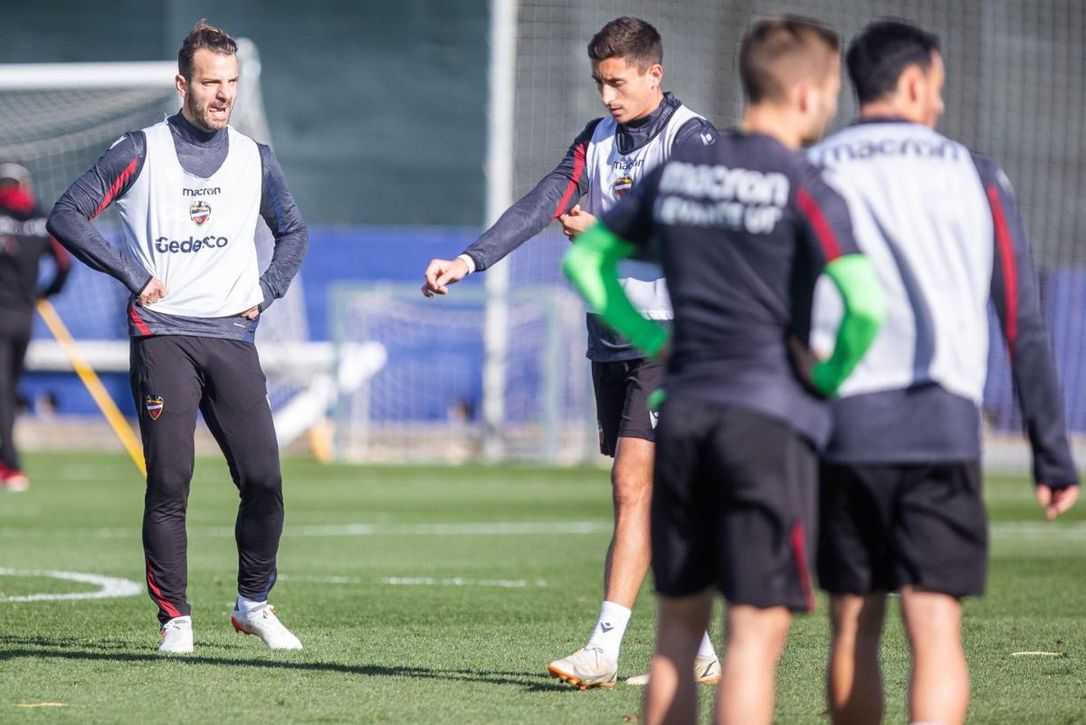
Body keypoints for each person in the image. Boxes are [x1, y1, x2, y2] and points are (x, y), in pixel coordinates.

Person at [563, 17, 883, 724]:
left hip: (687, 405)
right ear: (809, 95)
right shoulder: (804, 181)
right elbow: (865, 305)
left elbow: (588, 263)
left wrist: (656, 338)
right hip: (767, 419)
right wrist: (824, 381)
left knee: (678, 634)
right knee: (751, 640)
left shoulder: (681, 172)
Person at [421, 16, 721, 688]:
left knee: (632, 487)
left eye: (618, 82)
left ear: (654, 74)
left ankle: (603, 650)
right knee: (653, 497)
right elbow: (540, 204)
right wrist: (469, 261)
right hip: (612, 340)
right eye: (599, 83)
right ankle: (699, 646)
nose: (607, 96)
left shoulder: (691, 140)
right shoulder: (596, 140)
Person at [806, 20, 1080, 725]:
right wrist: (1052, 452)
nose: (941, 102)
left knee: (853, 625)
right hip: (941, 426)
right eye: (937, 87)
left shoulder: (815, 167)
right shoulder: (974, 173)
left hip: (844, 425)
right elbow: (1022, 319)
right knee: (934, 628)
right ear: (913, 83)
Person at [47, 20, 308, 654]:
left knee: (265, 480)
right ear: (182, 84)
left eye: (231, 82)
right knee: (170, 482)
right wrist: (133, 275)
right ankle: (176, 620)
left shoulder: (254, 158)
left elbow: (294, 233)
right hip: (162, 334)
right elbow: (67, 214)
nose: (224, 94)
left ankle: (253, 603)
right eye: (211, 82)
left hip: (233, 335)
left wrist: (267, 289)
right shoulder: (139, 151)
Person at [0, 162, 70, 491]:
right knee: (8, 388)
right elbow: (64, 264)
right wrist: (47, 293)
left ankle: (10, 466)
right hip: (25, 316)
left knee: (2, 392)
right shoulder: (41, 218)